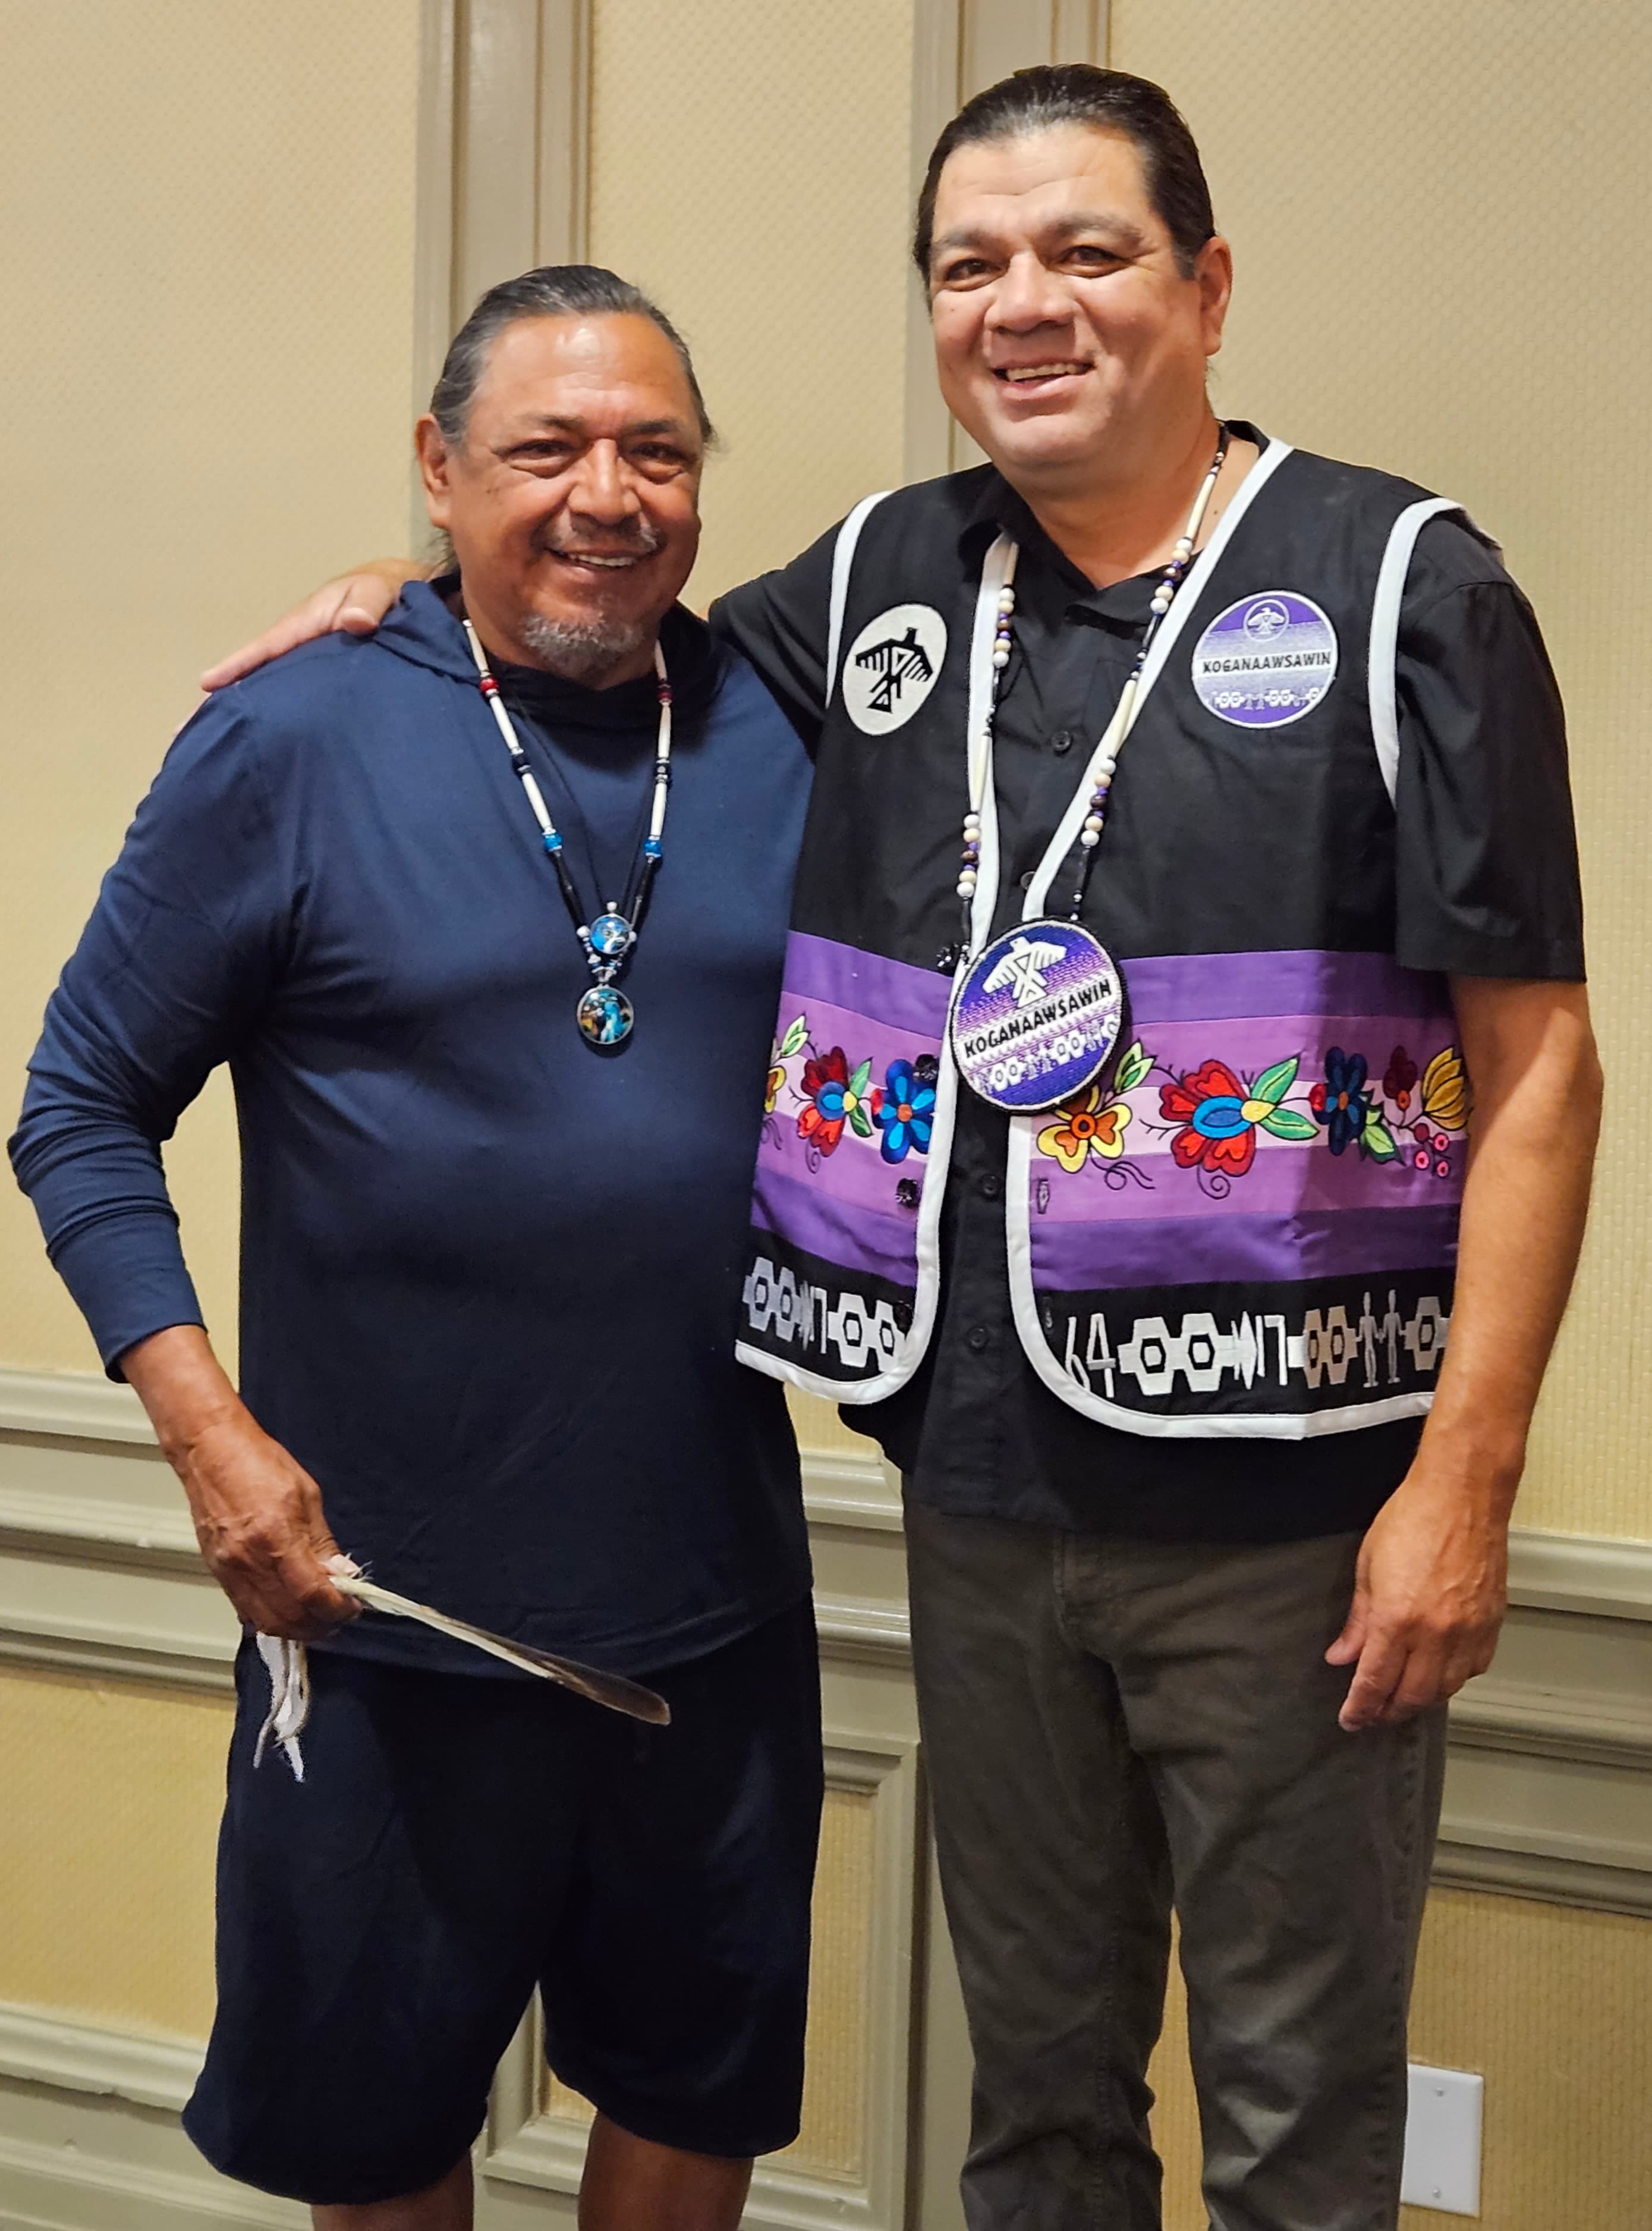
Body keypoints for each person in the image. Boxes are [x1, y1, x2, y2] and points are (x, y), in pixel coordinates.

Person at [207, 66, 1602, 2231]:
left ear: (1206, 284)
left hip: (1298, 1514)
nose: (1022, 304)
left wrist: (1465, 1486)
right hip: (975, 1487)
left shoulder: (1401, 584)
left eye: (1086, 251)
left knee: (1297, 2124)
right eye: (970, 266)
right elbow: (589, 633)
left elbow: (1539, 1068)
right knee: (1035, 2102)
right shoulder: (875, 584)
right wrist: (404, 588)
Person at [11, 266, 822, 2231]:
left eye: (655, 451)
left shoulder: (780, 721)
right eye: (546, 449)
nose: (606, 494)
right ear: (438, 471)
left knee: (694, 2094)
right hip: (378, 1612)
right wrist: (212, 1445)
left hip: (713, 1601)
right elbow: (78, 1106)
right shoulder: (289, 738)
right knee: (374, 2140)